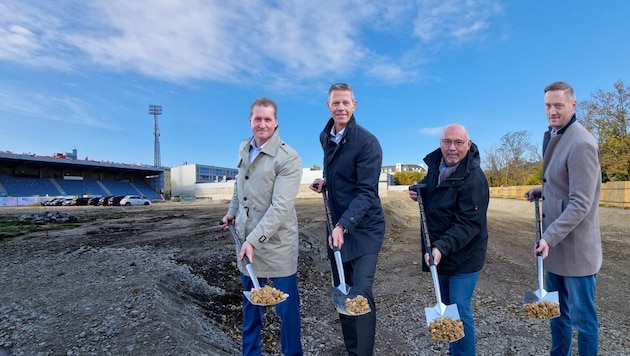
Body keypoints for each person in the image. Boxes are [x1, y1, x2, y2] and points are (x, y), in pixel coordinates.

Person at [220, 97, 303, 356]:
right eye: (258, 119)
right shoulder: (245, 148)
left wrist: (253, 241)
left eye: (268, 119)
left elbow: (280, 208)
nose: (262, 124)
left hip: (276, 245)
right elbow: (239, 185)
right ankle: (251, 353)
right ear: (250, 121)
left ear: (276, 122)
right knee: (250, 308)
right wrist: (232, 212)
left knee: (286, 312)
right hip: (247, 242)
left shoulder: (289, 158)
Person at [524, 81, 602, 355]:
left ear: (573, 105)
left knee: (583, 321)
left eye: (558, 105)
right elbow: (564, 185)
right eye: (548, 105)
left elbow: (582, 201)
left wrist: (549, 236)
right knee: (558, 315)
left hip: (576, 253)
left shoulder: (581, 143)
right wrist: (542, 189)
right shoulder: (554, 135)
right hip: (555, 249)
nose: (552, 111)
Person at [309, 83, 385, 355]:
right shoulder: (326, 137)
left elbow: (366, 191)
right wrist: (326, 181)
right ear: (328, 106)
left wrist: (343, 225)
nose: (340, 108)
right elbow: (345, 175)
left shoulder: (367, 142)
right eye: (335, 103)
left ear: (354, 105)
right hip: (338, 229)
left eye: (345, 103)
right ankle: (353, 350)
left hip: (364, 229)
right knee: (343, 292)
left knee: (360, 293)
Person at [408, 123, 489, 356]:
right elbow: (436, 191)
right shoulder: (436, 167)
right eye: (447, 142)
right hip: (440, 253)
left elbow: (469, 223)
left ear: (468, 145)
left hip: (465, 256)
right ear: (440, 143)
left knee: (460, 309)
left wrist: (440, 247)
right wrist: (420, 190)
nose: (452, 148)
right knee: (448, 309)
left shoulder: (475, 179)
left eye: (458, 143)